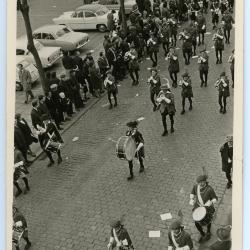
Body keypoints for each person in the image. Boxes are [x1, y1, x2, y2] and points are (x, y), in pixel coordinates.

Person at [189, 175, 218, 243]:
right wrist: (191, 199)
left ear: (205, 181)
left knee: (208, 220)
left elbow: (215, 198)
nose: (200, 184)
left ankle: (208, 231)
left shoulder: (209, 189)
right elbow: (192, 193)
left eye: (202, 182)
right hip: (198, 206)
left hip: (207, 207)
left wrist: (210, 202)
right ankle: (202, 232)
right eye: (199, 182)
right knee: (196, 221)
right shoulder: (196, 186)